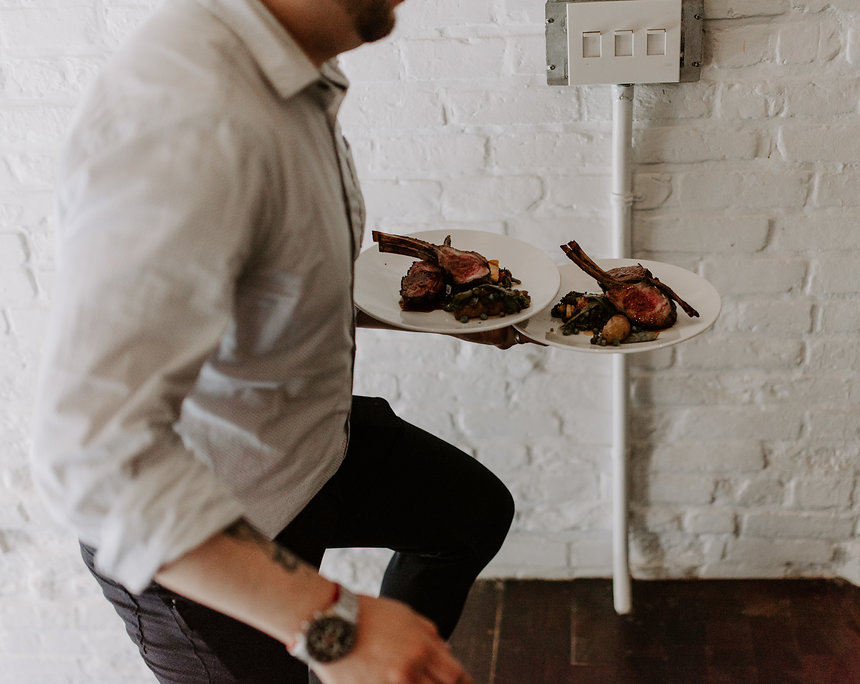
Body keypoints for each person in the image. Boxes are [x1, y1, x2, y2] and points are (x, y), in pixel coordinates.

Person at [30, 0, 522, 681]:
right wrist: (336, 626)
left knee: (470, 514)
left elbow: (277, 281)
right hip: (202, 530)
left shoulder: (290, 72)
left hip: (307, 453)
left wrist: (451, 312)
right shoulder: (186, 114)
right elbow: (90, 455)